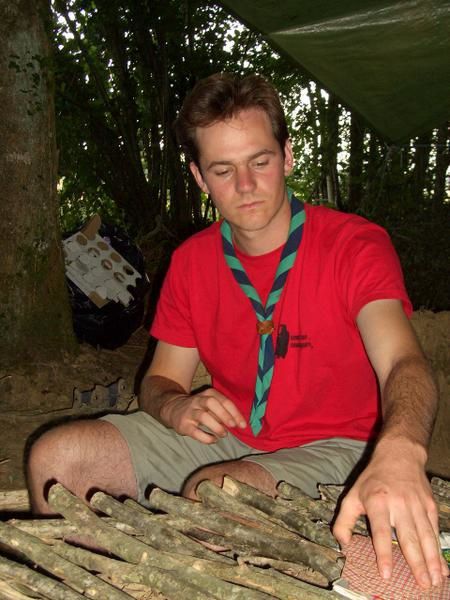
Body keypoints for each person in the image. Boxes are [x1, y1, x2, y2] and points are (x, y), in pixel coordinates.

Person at [27, 73, 447, 590]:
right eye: (223, 170)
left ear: (288, 156)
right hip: (229, 435)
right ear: (200, 178)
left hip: (340, 445)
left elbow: (405, 362)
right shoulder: (191, 262)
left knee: (218, 495)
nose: (245, 186)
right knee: (57, 457)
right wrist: (175, 406)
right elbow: (160, 381)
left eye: (260, 162)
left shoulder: (353, 246)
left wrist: (402, 447)